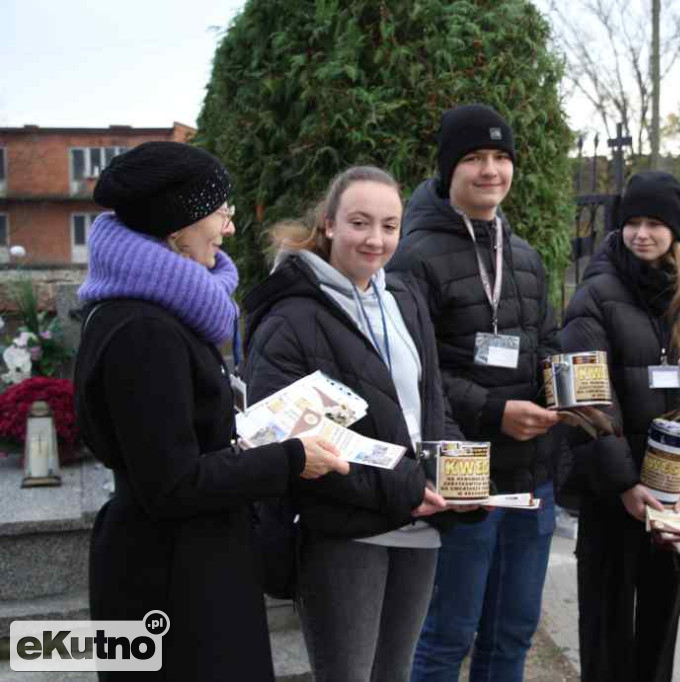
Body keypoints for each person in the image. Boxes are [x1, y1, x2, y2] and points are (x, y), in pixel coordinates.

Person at [74, 141, 349, 682]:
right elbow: (172, 484)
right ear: (176, 226)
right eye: (220, 212)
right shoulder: (144, 331)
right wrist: (289, 458)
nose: (228, 229)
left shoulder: (154, 312)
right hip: (174, 588)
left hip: (189, 568)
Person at [240, 166, 464, 682]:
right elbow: (295, 441)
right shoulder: (289, 318)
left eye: (389, 225)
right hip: (344, 533)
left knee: (396, 674)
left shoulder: (403, 300)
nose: (376, 239)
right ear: (329, 225)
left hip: (419, 522)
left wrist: (455, 471)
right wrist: (403, 485)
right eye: (360, 223)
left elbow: (432, 403)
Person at [388, 104, 561, 682]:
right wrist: (493, 410)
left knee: (511, 632)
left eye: (501, 157)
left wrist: (569, 393)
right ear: (447, 170)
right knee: (447, 635)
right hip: (464, 475)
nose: (491, 170)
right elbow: (413, 371)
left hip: (531, 478)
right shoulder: (412, 256)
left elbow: (547, 344)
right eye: (474, 158)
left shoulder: (527, 257)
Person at [559, 170, 680, 681]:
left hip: (675, 502)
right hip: (612, 497)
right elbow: (583, 399)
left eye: (655, 223)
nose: (642, 234)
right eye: (632, 222)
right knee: (606, 635)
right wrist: (624, 483)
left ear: (676, 230)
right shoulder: (592, 296)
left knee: (660, 633)